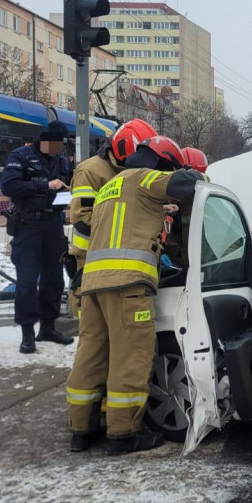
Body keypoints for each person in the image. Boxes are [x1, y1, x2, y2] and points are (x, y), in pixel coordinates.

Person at [65, 136, 205, 454]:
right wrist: (200, 179)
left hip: (93, 285)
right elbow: (188, 181)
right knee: (131, 356)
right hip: (127, 286)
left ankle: (81, 430)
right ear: (159, 162)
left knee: (91, 355)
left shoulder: (110, 189)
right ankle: (124, 433)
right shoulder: (143, 177)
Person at [65, 119, 157, 318]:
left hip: (121, 261)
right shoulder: (90, 172)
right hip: (89, 258)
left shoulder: (126, 170)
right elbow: (81, 218)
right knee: (92, 326)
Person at [0, 120, 75, 354]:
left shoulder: (61, 161)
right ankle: (27, 333)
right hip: (27, 224)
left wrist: (66, 192)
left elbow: (68, 183)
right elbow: (9, 187)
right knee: (27, 281)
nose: (58, 149)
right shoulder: (20, 155)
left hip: (53, 224)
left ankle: (48, 327)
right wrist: (45, 184)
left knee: (54, 279)